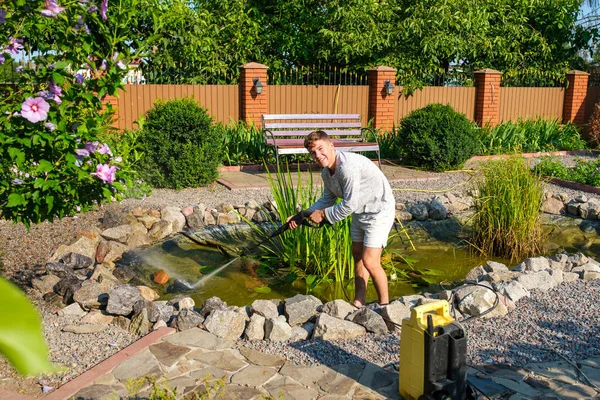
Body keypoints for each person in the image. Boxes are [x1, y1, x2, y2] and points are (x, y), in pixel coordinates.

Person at [287, 130, 396, 307]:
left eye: (321, 149)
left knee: (370, 261)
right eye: (313, 153)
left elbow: (350, 203)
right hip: (361, 211)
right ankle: (359, 302)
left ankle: (386, 307)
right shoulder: (326, 173)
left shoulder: (347, 167)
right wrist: (301, 216)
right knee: (357, 256)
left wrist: (323, 215)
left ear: (331, 145)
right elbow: (327, 199)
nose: (318, 155)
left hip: (379, 210)